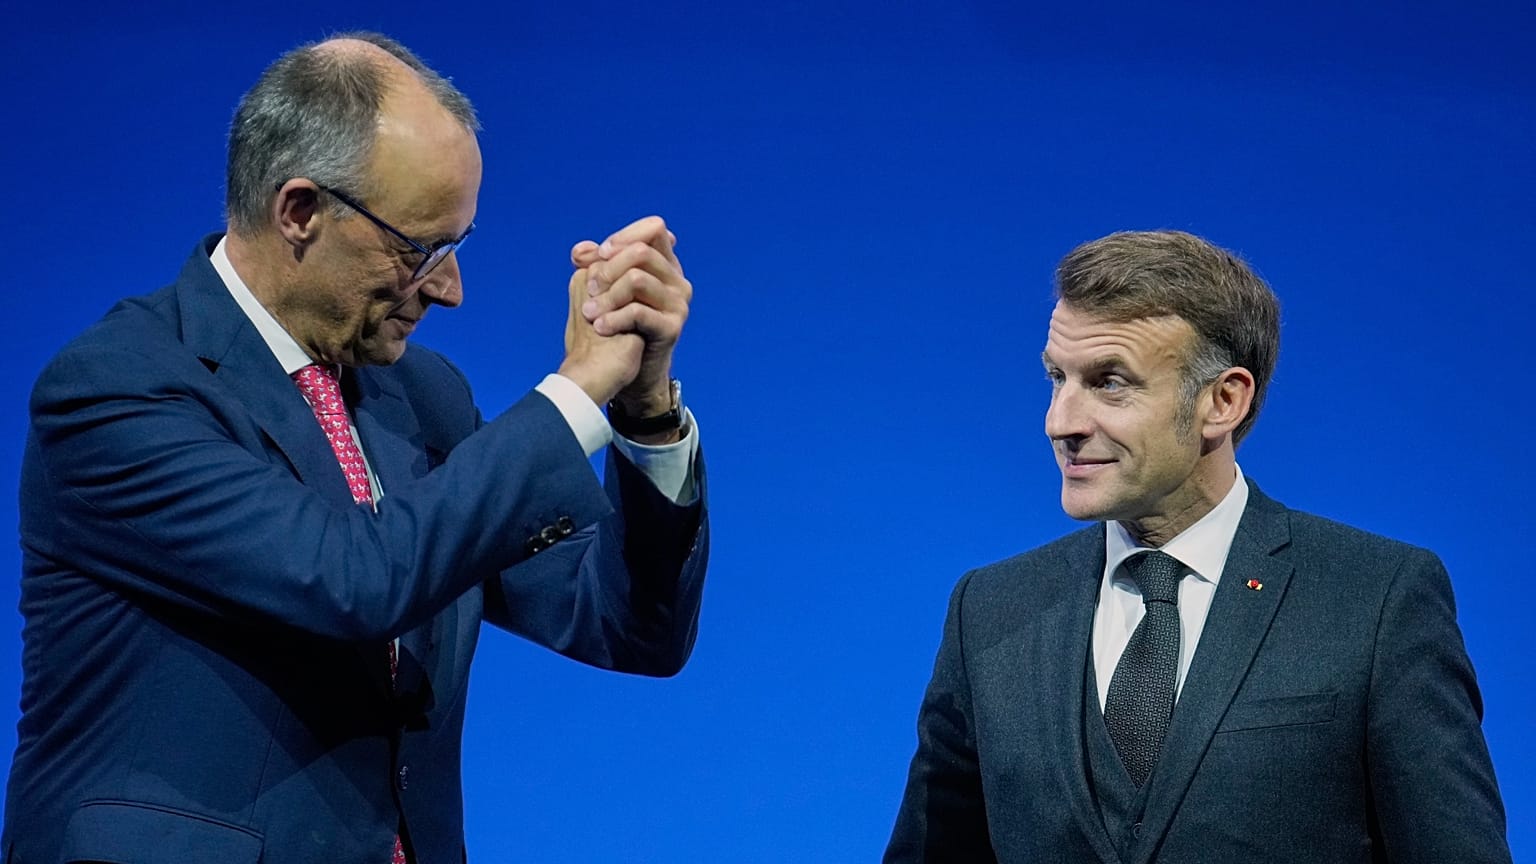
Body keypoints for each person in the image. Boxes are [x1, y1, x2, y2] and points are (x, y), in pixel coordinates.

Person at [3, 32, 708, 864]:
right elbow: (352, 579)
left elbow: (625, 625)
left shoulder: (424, 398)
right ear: (299, 211)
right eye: (419, 250)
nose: (448, 289)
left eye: (457, 247)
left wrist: (644, 410)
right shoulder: (117, 388)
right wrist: (577, 390)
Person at [884, 230, 1511, 863]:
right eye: (1057, 378)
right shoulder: (990, 609)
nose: (1061, 421)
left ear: (1223, 401)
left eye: (1110, 383)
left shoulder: (1376, 598)